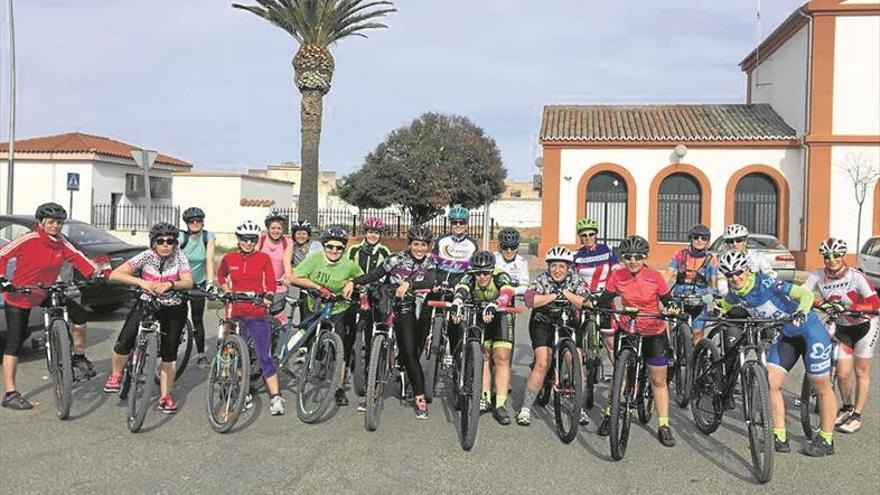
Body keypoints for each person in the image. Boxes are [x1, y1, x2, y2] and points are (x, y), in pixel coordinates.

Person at [717, 250, 837, 457]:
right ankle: (779, 436)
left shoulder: (765, 283)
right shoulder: (736, 292)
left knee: (821, 385)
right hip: (786, 336)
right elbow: (724, 304)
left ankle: (826, 439)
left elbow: (806, 294)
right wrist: (716, 308)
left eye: (738, 272)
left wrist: (801, 311)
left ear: (747, 269)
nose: (735, 278)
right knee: (771, 382)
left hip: (810, 331)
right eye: (729, 275)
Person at [0, 203, 100, 410]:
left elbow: (79, 258)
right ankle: (10, 394)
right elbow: (1, 255)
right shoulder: (29, 239)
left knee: (80, 315)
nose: (56, 226)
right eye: (52, 222)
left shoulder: (61, 243)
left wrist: (94, 273)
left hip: (45, 291)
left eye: (59, 223)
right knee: (15, 342)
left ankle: (78, 356)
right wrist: (2, 279)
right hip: (21, 294)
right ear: (41, 223)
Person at [591, 235, 680, 447]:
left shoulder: (655, 277)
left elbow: (668, 300)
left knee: (658, 380)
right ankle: (610, 413)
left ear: (645, 257)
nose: (633, 260)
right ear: (623, 257)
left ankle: (664, 425)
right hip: (628, 327)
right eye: (628, 256)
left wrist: (671, 308)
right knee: (620, 377)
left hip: (653, 330)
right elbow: (606, 299)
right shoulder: (618, 275)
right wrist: (597, 309)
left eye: (638, 257)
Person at [103, 222, 194, 414]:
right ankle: (116, 374)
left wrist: (170, 284)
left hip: (173, 306)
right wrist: (141, 282)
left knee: (169, 353)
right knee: (125, 340)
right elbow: (115, 274)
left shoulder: (180, 257)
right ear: (153, 243)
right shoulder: (146, 256)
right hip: (147, 303)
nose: (165, 245)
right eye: (160, 241)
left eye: (170, 241)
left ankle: (165, 397)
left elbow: (188, 282)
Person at [351, 224, 437, 418]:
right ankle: (370, 392)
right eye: (416, 244)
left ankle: (419, 396)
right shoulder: (396, 258)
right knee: (377, 342)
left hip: (409, 306)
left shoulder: (429, 262)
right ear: (410, 244)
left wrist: (410, 284)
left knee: (409, 352)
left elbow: (431, 281)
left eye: (424, 245)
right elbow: (375, 274)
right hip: (388, 302)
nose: (420, 249)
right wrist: (354, 282)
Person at [802, 238, 880, 434]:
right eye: (827, 256)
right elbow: (803, 292)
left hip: (865, 325)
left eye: (836, 255)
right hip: (843, 327)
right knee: (843, 373)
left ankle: (857, 415)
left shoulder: (856, 277)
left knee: (860, 371)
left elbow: (875, 303)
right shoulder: (818, 275)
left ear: (843, 256)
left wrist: (850, 307)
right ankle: (847, 407)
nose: (832, 259)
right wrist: (816, 302)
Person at [289, 225, 363, 407]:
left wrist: (353, 283)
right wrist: (317, 287)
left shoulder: (348, 265)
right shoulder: (315, 259)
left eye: (339, 248)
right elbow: (294, 277)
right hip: (316, 304)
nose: (334, 251)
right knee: (312, 339)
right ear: (324, 246)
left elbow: (363, 280)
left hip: (339, 307)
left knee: (341, 344)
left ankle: (338, 387)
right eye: (330, 246)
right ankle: (313, 357)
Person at [217, 220, 285, 416]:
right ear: (238, 240)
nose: (248, 243)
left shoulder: (263, 258)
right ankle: (241, 391)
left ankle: (276, 396)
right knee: (232, 354)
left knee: (264, 355)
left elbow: (270, 281)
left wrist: (269, 296)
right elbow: (221, 276)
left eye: (252, 240)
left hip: (257, 312)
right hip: (236, 311)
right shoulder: (229, 258)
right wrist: (226, 290)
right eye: (245, 239)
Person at [517, 246, 589, 427]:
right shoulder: (542, 279)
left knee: (576, 360)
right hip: (543, 322)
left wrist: (566, 293)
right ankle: (525, 408)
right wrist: (553, 295)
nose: (557, 270)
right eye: (554, 266)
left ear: (568, 268)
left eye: (562, 267)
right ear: (548, 267)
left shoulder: (575, 280)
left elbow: (586, 302)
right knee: (542, 362)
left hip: (567, 323)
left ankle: (578, 405)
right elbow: (530, 300)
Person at [452, 250, 515, 424]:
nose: (482, 276)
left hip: (501, 314)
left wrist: (496, 304)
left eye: (486, 272)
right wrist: (457, 302)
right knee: (485, 356)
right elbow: (461, 289)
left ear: (492, 270)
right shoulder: (470, 276)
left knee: (501, 358)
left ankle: (500, 404)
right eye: (478, 273)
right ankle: (485, 398)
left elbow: (507, 292)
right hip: (480, 315)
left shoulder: (500, 276)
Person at [432, 205, 479, 354]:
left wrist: (461, 287)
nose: (458, 225)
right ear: (450, 224)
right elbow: (432, 264)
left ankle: (454, 357)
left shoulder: (472, 244)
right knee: (425, 319)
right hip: (439, 284)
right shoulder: (441, 240)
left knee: (455, 324)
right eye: (454, 222)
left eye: (461, 222)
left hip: (458, 285)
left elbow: (471, 270)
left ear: (467, 225)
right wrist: (433, 281)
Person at [572, 217, 619, 363]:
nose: (588, 238)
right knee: (575, 338)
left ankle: (620, 380)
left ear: (596, 235)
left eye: (591, 234)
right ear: (580, 237)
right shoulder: (575, 256)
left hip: (605, 297)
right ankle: (579, 376)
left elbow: (616, 270)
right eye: (584, 235)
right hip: (585, 298)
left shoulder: (607, 249)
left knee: (611, 344)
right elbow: (572, 278)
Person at [663, 224, 718, 342]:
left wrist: (711, 296)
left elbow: (714, 284)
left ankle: (695, 357)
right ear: (690, 238)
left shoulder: (711, 259)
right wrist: (660, 291)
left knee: (698, 332)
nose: (699, 240)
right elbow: (668, 275)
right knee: (673, 325)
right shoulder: (680, 254)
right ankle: (673, 349)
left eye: (704, 238)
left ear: (708, 241)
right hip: (679, 296)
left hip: (700, 298)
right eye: (696, 237)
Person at [177, 206, 216, 369]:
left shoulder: (208, 236)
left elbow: (209, 260)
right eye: (191, 221)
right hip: (180, 282)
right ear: (186, 223)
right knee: (176, 317)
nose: (195, 223)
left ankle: (200, 354)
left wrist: (211, 283)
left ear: (202, 222)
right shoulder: (181, 237)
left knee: (197, 318)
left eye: (198, 220)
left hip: (198, 282)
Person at [717, 224, 775, 294]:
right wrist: (725, 294)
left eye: (738, 240)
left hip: (758, 295)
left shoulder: (757, 257)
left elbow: (769, 274)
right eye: (730, 241)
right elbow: (722, 281)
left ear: (745, 241)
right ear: (727, 243)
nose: (735, 244)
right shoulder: (724, 261)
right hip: (736, 298)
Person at [258, 210, 293, 324]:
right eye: (273, 228)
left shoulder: (287, 242)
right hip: (261, 285)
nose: (276, 231)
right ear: (268, 228)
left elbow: (286, 261)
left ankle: (277, 340)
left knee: (278, 319)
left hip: (279, 286)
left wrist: (288, 277)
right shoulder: (261, 240)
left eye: (279, 228)